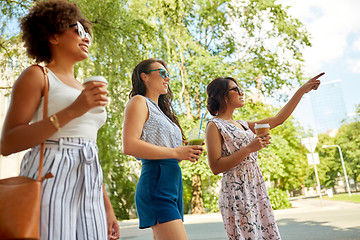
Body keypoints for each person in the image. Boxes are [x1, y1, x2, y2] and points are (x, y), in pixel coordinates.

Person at [0, 0, 119, 239]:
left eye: (88, 33)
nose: (86, 37)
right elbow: (8, 143)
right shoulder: (37, 76)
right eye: (78, 30)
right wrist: (75, 109)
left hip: (89, 178)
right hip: (51, 170)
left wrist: (107, 207)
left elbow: (89, 149)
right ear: (53, 36)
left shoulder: (82, 86)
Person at [205, 73, 324, 240]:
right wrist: (249, 148)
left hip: (256, 187)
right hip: (236, 191)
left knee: (268, 235)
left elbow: (278, 119)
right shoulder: (214, 125)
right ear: (223, 96)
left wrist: (302, 91)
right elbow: (215, 167)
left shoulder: (243, 125)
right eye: (236, 89)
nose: (241, 92)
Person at [122, 59, 204, 240]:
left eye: (168, 74)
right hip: (156, 180)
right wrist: (176, 152)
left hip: (173, 181)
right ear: (145, 77)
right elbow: (129, 145)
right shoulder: (139, 102)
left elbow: (168, 151)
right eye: (162, 73)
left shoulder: (163, 113)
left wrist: (185, 152)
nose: (168, 78)